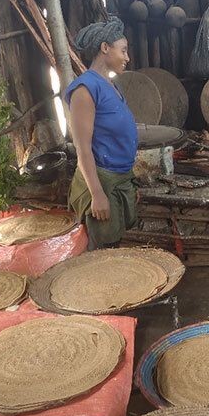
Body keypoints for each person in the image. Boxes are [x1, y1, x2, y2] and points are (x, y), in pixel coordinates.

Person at [66, 17, 138, 250]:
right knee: (101, 255)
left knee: (113, 247)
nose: (127, 58)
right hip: (101, 181)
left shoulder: (111, 85)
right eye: (123, 51)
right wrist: (97, 194)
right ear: (105, 48)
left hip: (118, 177)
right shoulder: (85, 89)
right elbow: (83, 148)